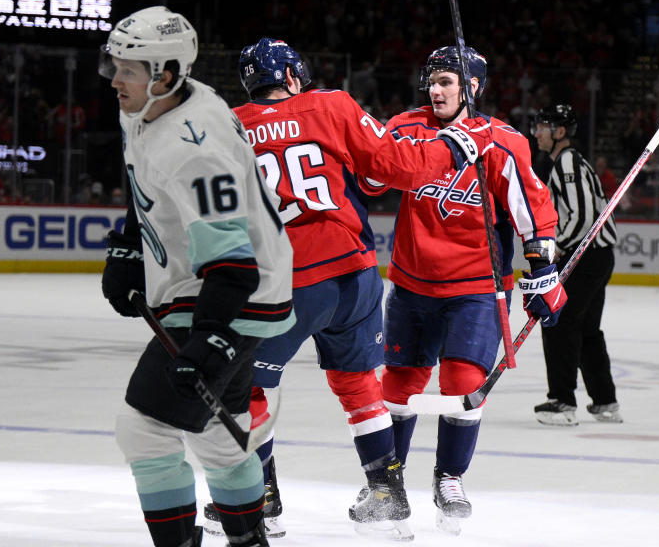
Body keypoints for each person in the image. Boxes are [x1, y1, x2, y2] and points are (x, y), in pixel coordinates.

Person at [202, 38, 493, 540]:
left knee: (249, 388)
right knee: (359, 384)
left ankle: (259, 497)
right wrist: (448, 148)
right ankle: (387, 492)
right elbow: (392, 167)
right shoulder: (330, 104)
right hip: (355, 278)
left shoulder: (228, 126)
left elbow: (207, 209)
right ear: (294, 76)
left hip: (285, 282)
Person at [98, 7, 297, 547]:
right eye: (113, 64)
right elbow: (147, 177)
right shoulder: (157, 102)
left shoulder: (194, 147)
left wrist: (209, 337)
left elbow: (232, 264)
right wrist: (128, 240)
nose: (115, 78)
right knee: (216, 431)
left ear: (165, 73)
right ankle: (249, 540)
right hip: (237, 287)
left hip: (229, 294)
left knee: (143, 428)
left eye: (128, 68)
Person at [360, 46, 565, 533]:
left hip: (476, 288)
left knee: (463, 387)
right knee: (397, 389)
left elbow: (531, 212)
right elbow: (370, 179)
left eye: (448, 80)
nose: (435, 88)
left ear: (473, 86)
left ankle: (449, 477)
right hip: (411, 286)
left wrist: (542, 270)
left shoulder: (500, 141)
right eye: (433, 79)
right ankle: (386, 485)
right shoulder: (408, 128)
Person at [530, 104, 621, 426]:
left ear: (560, 132)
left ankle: (562, 401)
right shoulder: (566, 163)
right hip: (596, 255)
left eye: (543, 126)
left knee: (560, 322)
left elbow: (582, 218)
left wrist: (558, 251)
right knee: (586, 329)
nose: (537, 132)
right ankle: (605, 402)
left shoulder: (567, 162)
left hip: (586, 255)